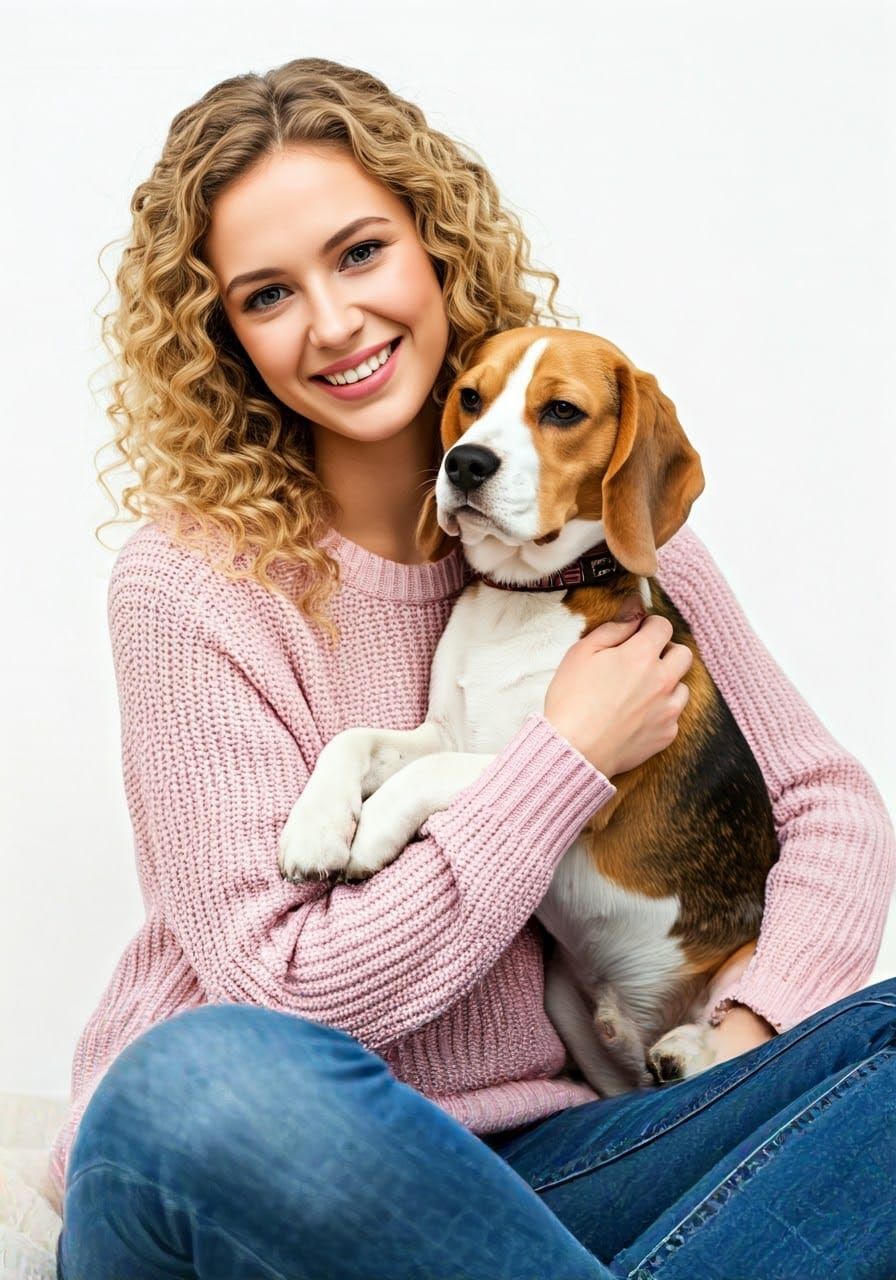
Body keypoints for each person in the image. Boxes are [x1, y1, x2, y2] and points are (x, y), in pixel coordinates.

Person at [54, 56, 895, 1280]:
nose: (333, 321)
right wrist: (565, 758)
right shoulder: (193, 584)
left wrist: (745, 1030)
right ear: (222, 338)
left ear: (434, 252)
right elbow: (285, 991)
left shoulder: (608, 535)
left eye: (359, 253)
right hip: (253, 1150)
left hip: (551, 1157)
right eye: (268, 293)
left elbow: (826, 805)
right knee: (198, 1071)